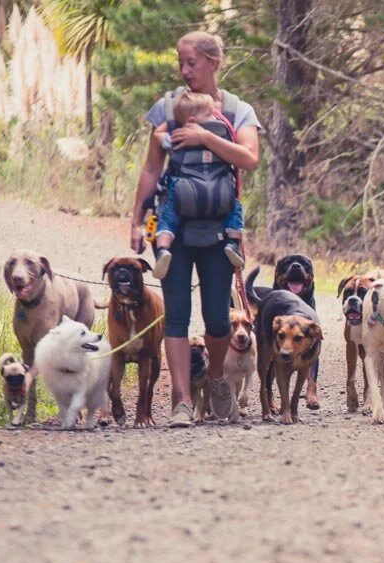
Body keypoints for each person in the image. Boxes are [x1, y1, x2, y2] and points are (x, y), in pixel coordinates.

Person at [129, 31, 262, 428]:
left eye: (192, 63)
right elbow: (152, 168)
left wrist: (204, 136)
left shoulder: (238, 111)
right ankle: (182, 400)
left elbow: (250, 158)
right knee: (177, 316)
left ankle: (217, 376)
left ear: (214, 63)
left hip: (219, 227)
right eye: (180, 63)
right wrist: (136, 219)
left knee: (219, 318)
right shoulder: (169, 108)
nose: (185, 71)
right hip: (173, 224)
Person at [152, 91, 246, 278]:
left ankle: (163, 248)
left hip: (182, 194)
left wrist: (171, 125)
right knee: (234, 209)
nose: (213, 117)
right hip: (219, 193)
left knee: (167, 220)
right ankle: (234, 243)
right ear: (195, 119)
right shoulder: (222, 135)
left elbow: (158, 135)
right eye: (209, 114)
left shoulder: (177, 138)